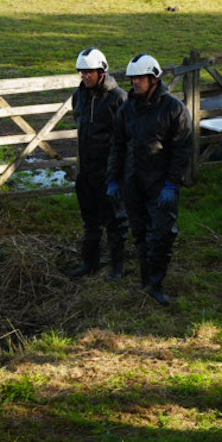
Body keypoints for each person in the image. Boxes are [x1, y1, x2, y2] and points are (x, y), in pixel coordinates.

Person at [107, 54, 192, 306]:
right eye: (133, 78)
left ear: (154, 79)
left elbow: (183, 149)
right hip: (133, 181)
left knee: (162, 234)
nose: (135, 82)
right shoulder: (127, 109)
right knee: (141, 233)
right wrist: (113, 179)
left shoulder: (173, 108)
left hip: (161, 183)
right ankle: (146, 280)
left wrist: (172, 184)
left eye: (140, 78)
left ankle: (157, 284)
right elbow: (118, 146)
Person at [67, 48, 128, 281]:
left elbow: (125, 136)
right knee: (90, 219)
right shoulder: (79, 96)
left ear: (102, 71)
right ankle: (89, 262)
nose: (85, 76)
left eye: (89, 72)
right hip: (86, 169)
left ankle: (117, 266)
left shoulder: (118, 98)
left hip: (109, 171)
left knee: (114, 219)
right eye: (82, 72)